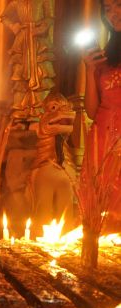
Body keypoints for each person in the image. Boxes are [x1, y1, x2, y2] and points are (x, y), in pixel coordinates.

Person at [83, 0, 120, 225]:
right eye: (107, 9)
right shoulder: (104, 57)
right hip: (102, 141)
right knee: (99, 211)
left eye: (119, 5)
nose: (114, 14)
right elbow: (91, 111)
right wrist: (89, 70)